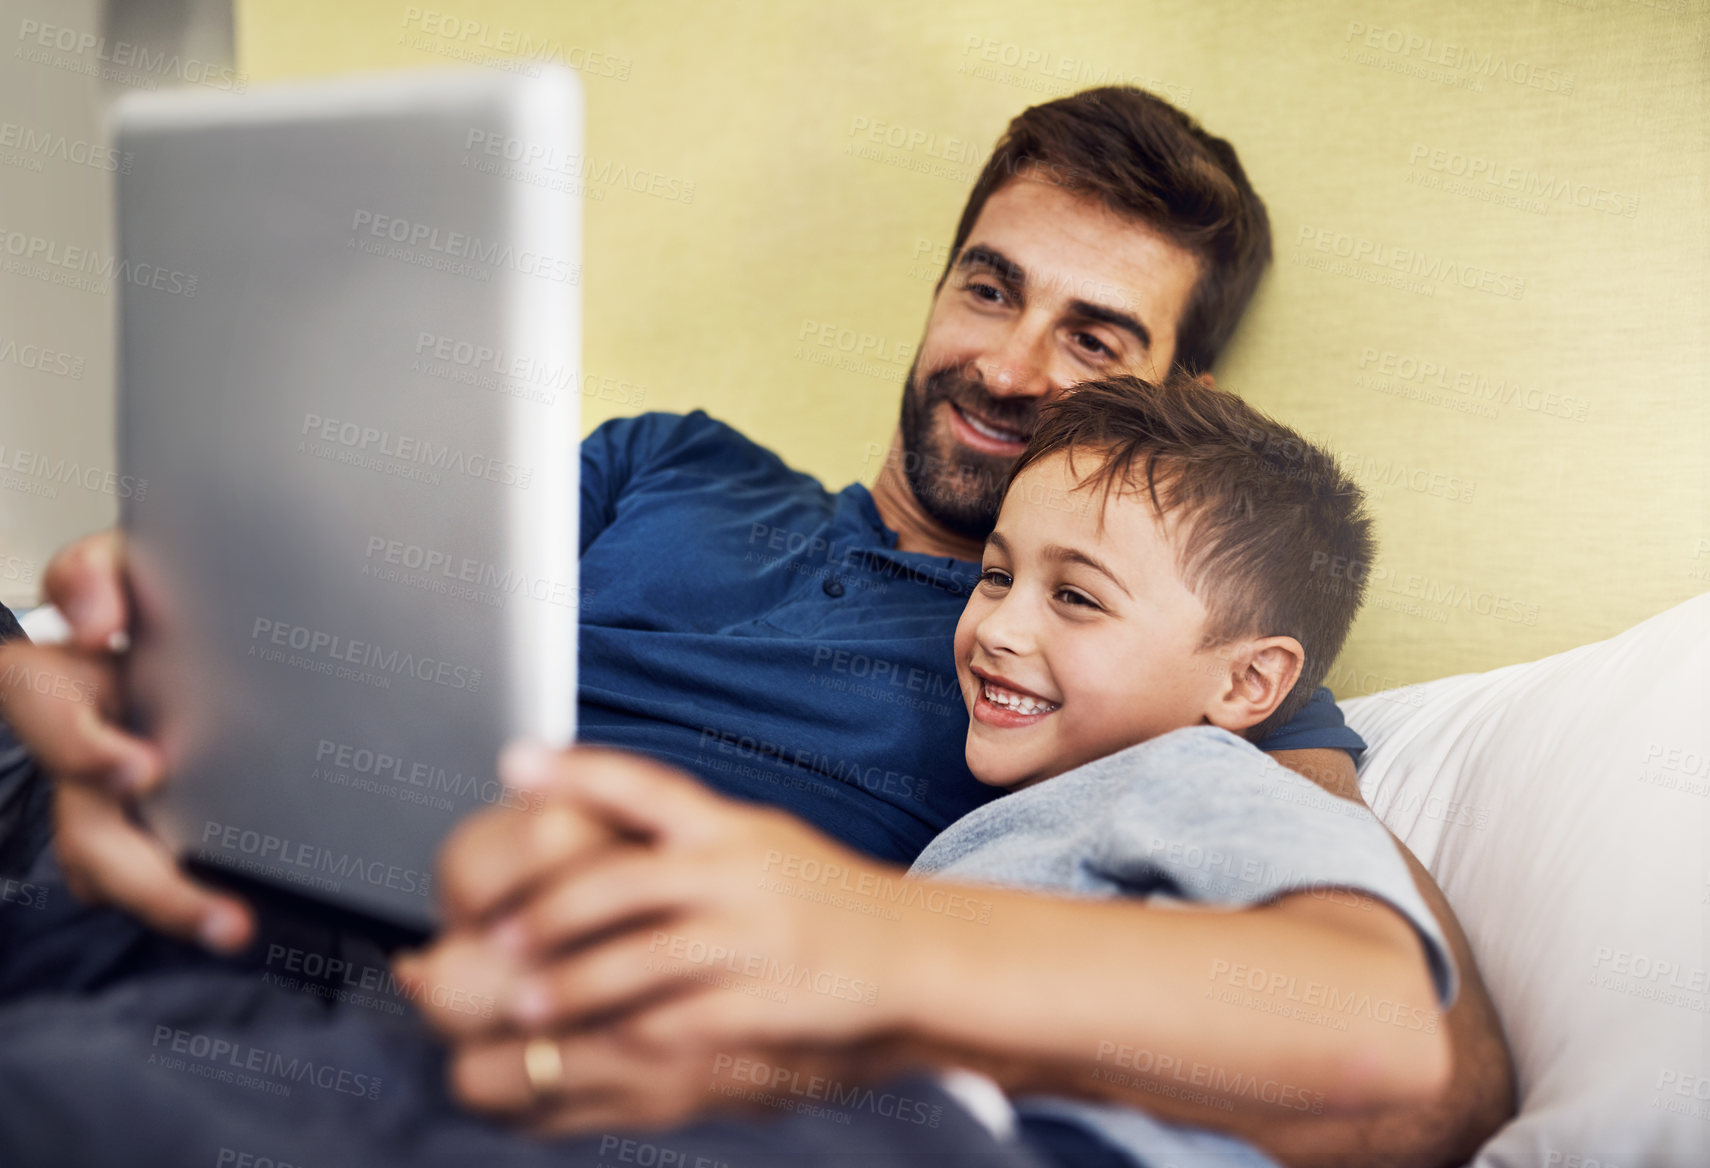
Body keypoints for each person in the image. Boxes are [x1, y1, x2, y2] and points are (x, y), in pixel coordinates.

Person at [0, 86, 1513, 1166]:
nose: (1005, 364)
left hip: (440, 997)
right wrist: (151, 649)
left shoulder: (1138, 674)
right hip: (191, 847)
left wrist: (868, 952)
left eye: (1093, 339)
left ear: (1164, 395)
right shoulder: (665, 461)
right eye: (988, 288)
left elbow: (1416, 1078)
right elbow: (338, 623)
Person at [404, 374, 1460, 1168]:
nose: (996, 626)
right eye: (995, 574)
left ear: (1246, 686)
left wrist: (855, 943)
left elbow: (1383, 1021)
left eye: (1077, 597)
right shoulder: (1015, 812)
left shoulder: (1204, 772)